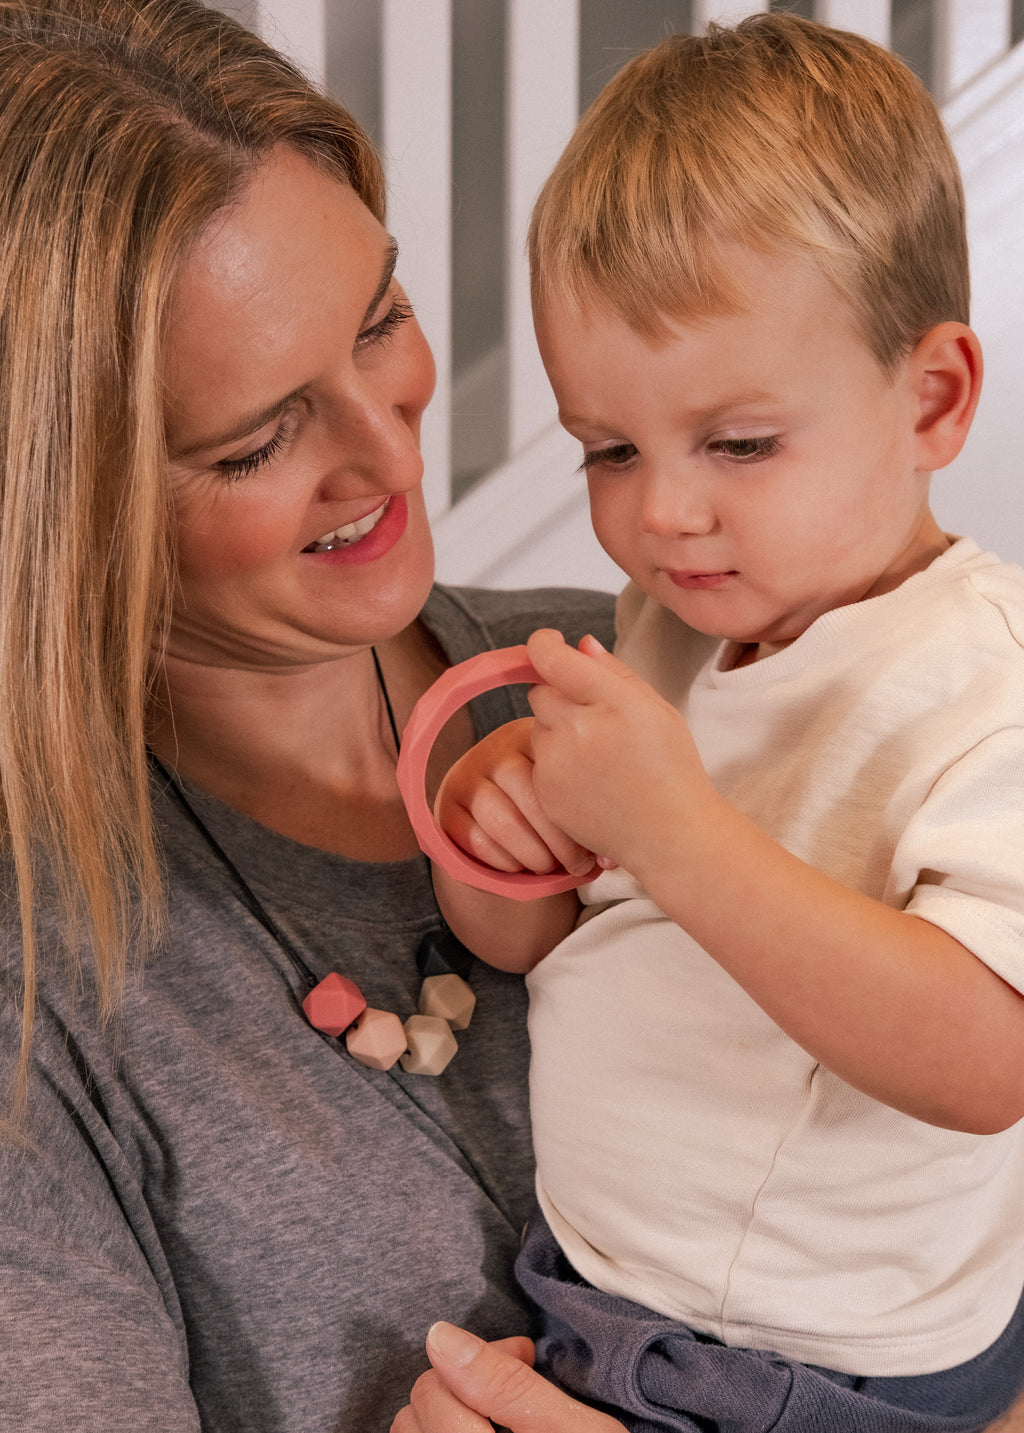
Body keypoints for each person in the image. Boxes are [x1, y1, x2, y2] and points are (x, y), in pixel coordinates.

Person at [394, 14, 1024, 1433]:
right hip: (618, 1287)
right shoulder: (674, 624)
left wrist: (677, 834)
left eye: (737, 443)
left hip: (803, 1360)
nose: (662, 510)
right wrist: (505, 835)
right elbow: (545, 947)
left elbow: (989, 1063)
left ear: (930, 399)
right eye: (609, 450)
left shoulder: (983, 683)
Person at [0, 2, 619, 1430]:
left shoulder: (644, 668)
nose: (389, 444)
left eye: (381, 319)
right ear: (59, 516)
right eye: (256, 440)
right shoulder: (47, 990)